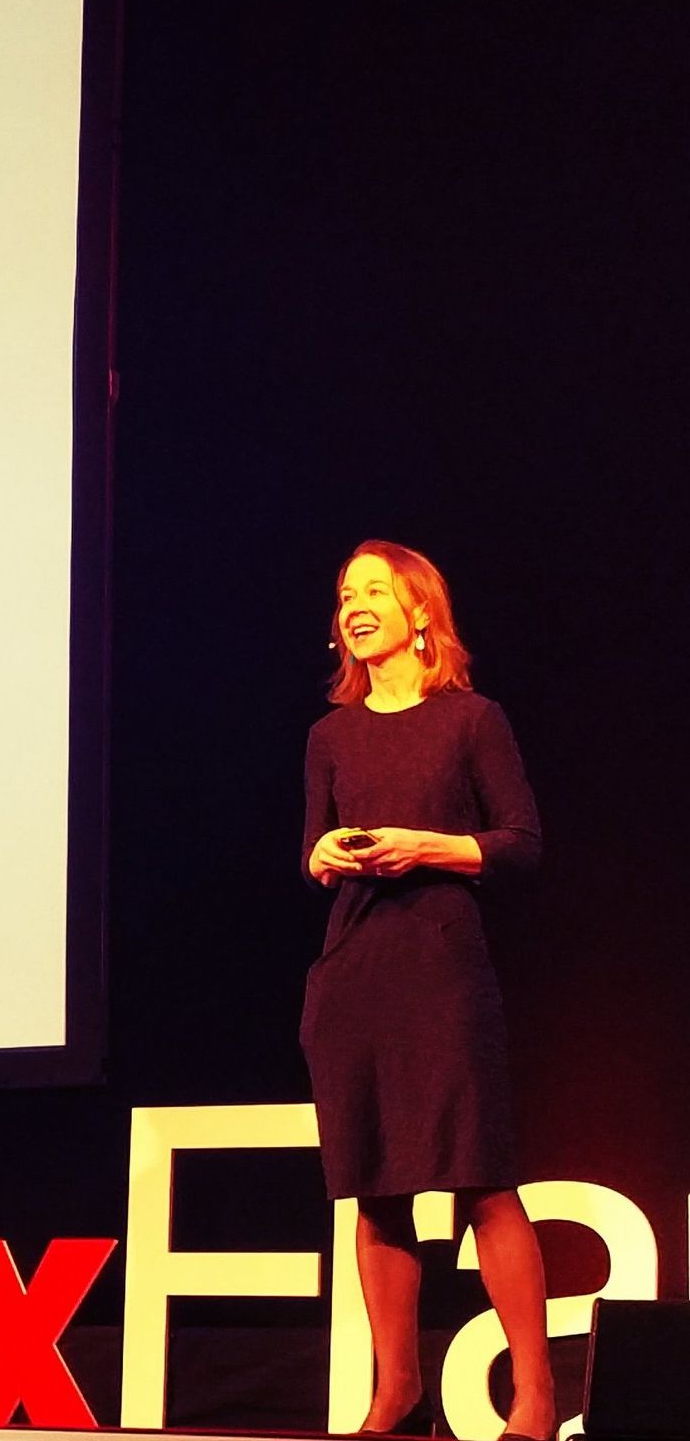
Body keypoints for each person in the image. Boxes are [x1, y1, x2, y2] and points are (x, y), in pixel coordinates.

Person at [302, 540, 554, 1440]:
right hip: (354, 980)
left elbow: (521, 842)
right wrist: (325, 855)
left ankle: (534, 1396)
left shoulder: (472, 719)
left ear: (419, 613)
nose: (354, 605)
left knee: (481, 1176)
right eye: (344, 595)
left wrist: (429, 845)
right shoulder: (329, 736)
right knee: (375, 1186)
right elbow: (318, 849)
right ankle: (394, 1392)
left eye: (373, 591)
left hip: (443, 972)